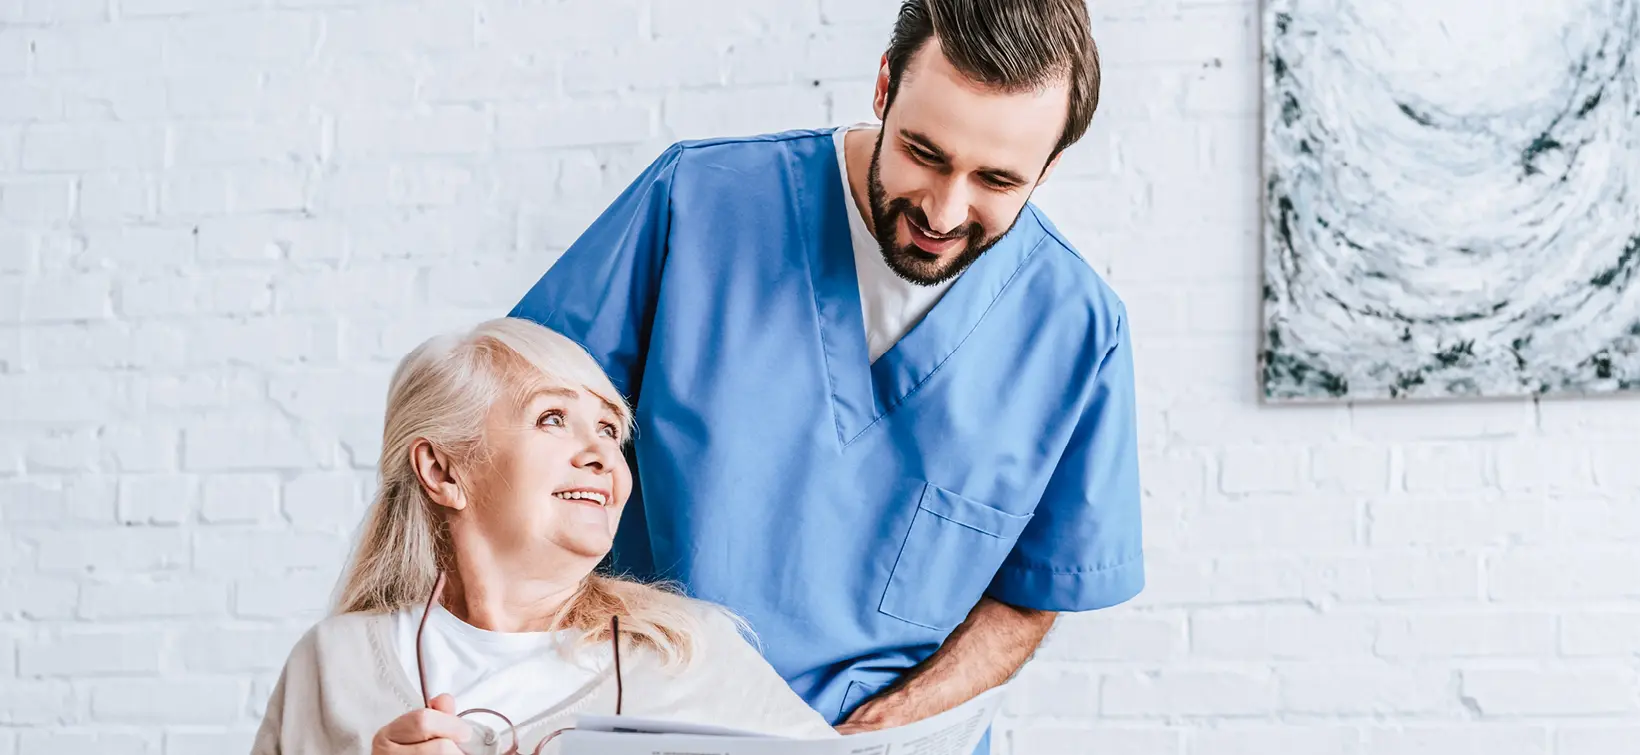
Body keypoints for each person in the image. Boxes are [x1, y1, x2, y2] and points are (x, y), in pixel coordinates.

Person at [508, 0, 1142, 751]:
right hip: (642, 719)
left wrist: (881, 728)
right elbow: (505, 444)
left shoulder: (1076, 331)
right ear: (883, 87)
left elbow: (1030, 595)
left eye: (997, 180)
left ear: (1050, 166)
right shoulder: (699, 201)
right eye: (924, 152)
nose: (944, 210)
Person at [251, 317, 836, 755]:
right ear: (443, 471)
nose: (602, 454)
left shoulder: (690, 654)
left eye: (610, 429)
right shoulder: (332, 664)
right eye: (552, 419)